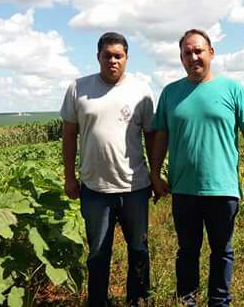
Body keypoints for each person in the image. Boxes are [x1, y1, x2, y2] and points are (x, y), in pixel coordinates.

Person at [150, 29, 244, 306]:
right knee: (187, 251)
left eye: (198, 51)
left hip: (223, 187)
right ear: (181, 58)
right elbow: (161, 137)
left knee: (222, 251)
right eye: (187, 53)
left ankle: (219, 302)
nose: (193, 57)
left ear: (211, 53)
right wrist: (155, 175)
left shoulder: (233, 89)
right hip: (184, 189)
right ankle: (187, 301)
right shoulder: (170, 93)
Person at [60, 32, 155, 307]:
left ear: (126, 58)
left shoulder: (141, 90)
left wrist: (156, 173)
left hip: (134, 186)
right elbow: (69, 136)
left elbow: (151, 135)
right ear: (98, 57)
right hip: (94, 188)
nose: (112, 60)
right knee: (98, 254)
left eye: (118, 56)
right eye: (107, 55)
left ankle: (137, 300)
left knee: (139, 248)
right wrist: (69, 177)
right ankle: (98, 301)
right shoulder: (78, 88)